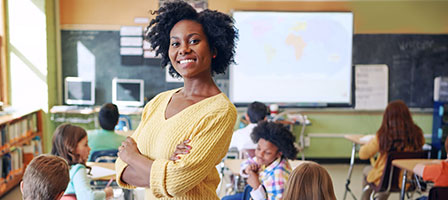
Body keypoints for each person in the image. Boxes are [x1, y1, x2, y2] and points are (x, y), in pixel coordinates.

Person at [115, 1, 238, 199]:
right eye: (175, 43)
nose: (184, 49)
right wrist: (166, 168)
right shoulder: (158, 102)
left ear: (214, 49)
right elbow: (121, 168)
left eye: (194, 41)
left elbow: (175, 182)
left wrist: (134, 157)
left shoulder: (220, 111)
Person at [359, 100, 425, 200]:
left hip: (385, 180)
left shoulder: (382, 136)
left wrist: (370, 142)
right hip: (408, 181)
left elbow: (363, 154)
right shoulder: (417, 135)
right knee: (389, 175)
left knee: (367, 171)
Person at [222, 121, 298, 200]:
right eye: (258, 148)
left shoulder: (279, 179)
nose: (259, 155)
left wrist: (256, 186)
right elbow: (247, 162)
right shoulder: (268, 159)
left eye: (267, 153)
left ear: (279, 153)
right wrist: (248, 169)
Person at [51, 124, 114, 200]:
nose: (89, 148)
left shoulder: (55, 170)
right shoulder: (78, 169)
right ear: (72, 147)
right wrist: (106, 193)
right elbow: (88, 197)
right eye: (85, 145)